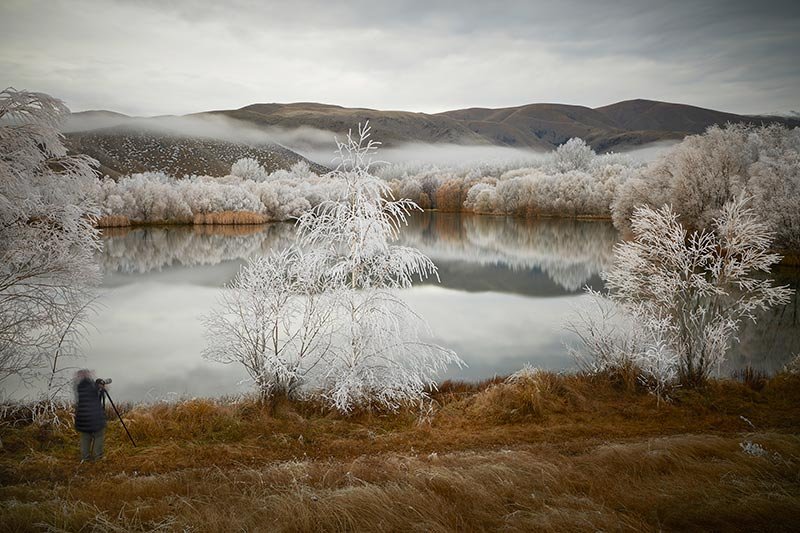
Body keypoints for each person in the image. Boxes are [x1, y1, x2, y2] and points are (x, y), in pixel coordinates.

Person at [74, 369, 107, 462]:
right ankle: (98, 457)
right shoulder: (93, 387)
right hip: (94, 418)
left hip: (82, 418)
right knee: (98, 436)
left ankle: (85, 458)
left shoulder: (79, 387)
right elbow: (97, 391)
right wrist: (101, 387)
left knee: (85, 437)